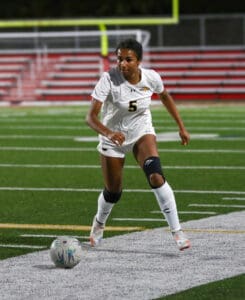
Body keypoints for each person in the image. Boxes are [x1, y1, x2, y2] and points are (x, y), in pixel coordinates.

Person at [86, 38, 191, 251]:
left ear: (139, 61)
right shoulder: (109, 79)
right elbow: (90, 117)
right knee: (113, 191)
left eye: (128, 59)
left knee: (156, 176)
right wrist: (109, 133)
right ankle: (99, 223)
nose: (122, 64)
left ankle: (177, 231)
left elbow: (165, 97)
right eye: (119, 59)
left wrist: (181, 126)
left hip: (141, 132)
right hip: (112, 138)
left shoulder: (151, 77)